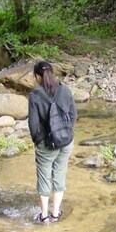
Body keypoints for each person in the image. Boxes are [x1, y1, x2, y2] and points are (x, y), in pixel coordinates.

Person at [28, 60, 77, 223]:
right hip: (66, 141)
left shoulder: (35, 96)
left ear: (37, 76)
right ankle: (55, 213)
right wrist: (66, 133)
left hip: (47, 144)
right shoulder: (65, 90)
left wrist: (37, 140)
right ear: (52, 72)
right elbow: (73, 116)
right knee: (60, 174)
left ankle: (44, 216)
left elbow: (33, 125)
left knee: (44, 177)